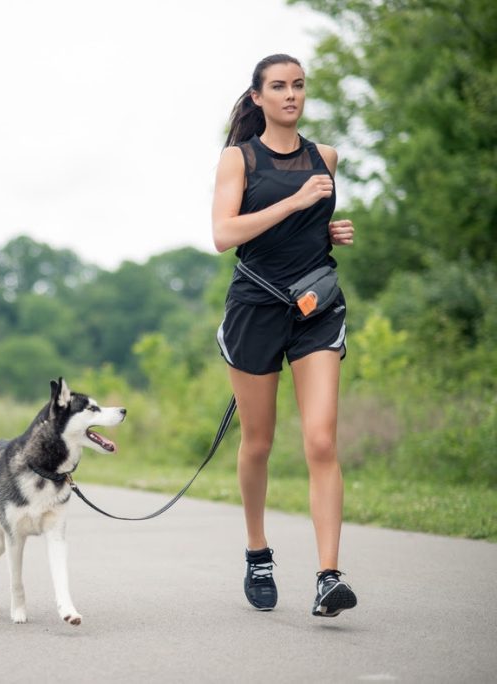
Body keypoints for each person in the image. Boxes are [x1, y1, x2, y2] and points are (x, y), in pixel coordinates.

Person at [211, 54, 358, 617]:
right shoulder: (238, 158)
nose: (291, 95)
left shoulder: (326, 156)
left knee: (321, 440)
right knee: (260, 443)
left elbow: (305, 231)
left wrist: (327, 230)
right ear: (258, 97)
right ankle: (257, 550)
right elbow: (225, 234)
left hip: (316, 308)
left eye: (298, 85)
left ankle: (327, 575)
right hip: (255, 307)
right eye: (279, 86)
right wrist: (295, 201)